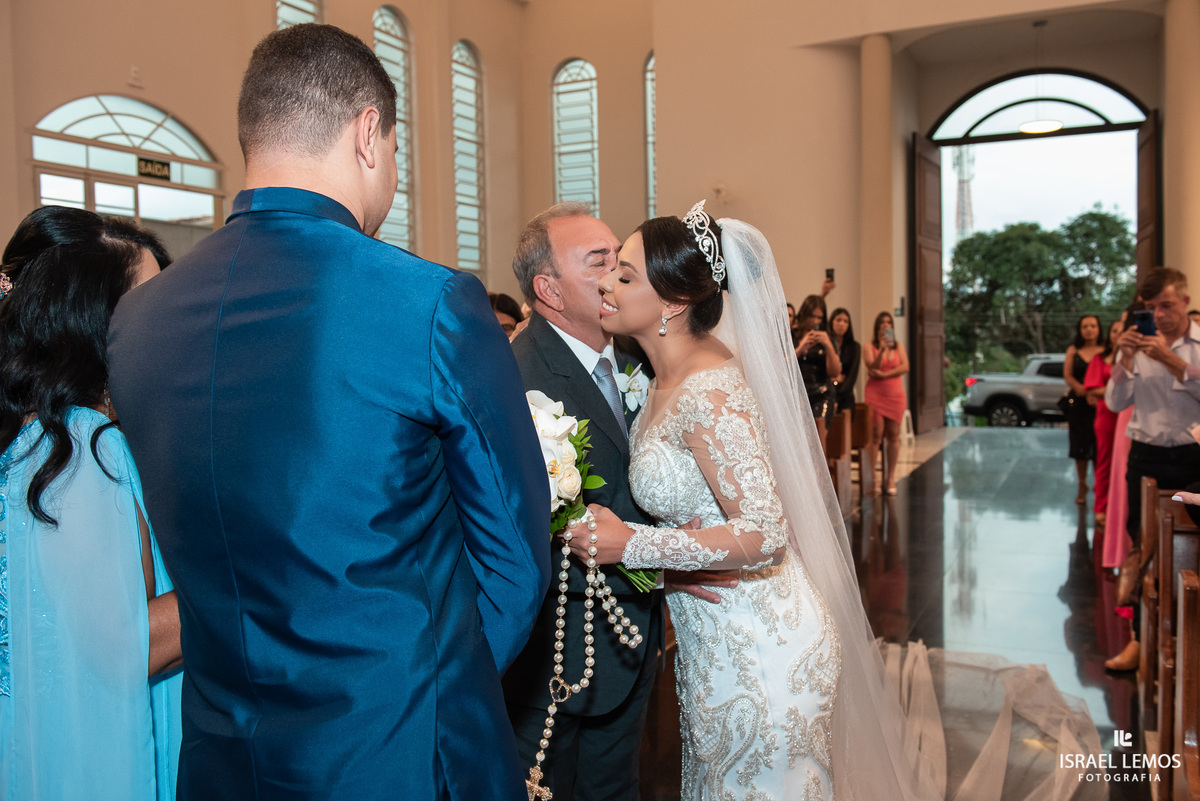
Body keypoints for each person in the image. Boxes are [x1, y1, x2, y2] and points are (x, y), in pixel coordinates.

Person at [107, 24, 550, 800]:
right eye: (398, 150)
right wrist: (437, 689)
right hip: (398, 752)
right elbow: (515, 554)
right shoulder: (428, 301)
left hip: (223, 758)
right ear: (368, 134)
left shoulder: (138, 319)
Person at [583, 202, 944, 800]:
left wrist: (632, 545)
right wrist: (668, 568)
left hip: (763, 642)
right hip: (716, 638)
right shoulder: (658, 378)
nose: (606, 284)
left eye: (624, 275)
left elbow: (764, 532)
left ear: (673, 302)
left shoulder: (709, 389)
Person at [0, 205, 181, 800]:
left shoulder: (32, 438)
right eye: (152, 306)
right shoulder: (79, 447)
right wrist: (250, 569)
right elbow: (124, 647)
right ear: (89, 321)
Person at [503, 202, 671, 801]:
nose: (615, 275)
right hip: (558, 650)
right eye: (598, 262)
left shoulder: (638, 358)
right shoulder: (515, 378)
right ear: (547, 290)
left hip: (633, 635)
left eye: (619, 260)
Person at [1104, 267, 1200, 671]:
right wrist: (1125, 360)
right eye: (1150, 308)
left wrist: (1172, 361)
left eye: (1166, 305)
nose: (1158, 315)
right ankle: (1140, 641)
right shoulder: (1137, 345)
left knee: (1191, 549)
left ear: (1185, 302)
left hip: (1193, 458)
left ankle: (1186, 641)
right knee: (1143, 549)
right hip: (1146, 457)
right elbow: (1115, 402)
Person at [864, 311, 909, 495]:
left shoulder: (898, 346)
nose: (885, 325)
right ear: (877, 326)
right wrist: (882, 350)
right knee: (876, 434)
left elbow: (905, 366)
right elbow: (872, 367)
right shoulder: (869, 346)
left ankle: (890, 477)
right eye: (882, 322)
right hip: (875, 393)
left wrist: (885, 375)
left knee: (893, 435)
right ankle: (873, 478)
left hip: (895, 395)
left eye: (888, 322)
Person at [1084, 318, 1124, 528]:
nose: (1119, 334)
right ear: (1109, 334)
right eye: (1115, 331)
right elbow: (1092, 391)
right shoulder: (1100, 359)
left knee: (1125, 463)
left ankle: (1121, 506)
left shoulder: (1133, 359)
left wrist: (1107, 389)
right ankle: (1101, 506)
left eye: (1122, 330)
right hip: (1106, 415)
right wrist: (1117, 389)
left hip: (1128, 415)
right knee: (1105, 461)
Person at [1064, 315, 1103, 505]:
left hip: (1100, 404)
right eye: (1085, 326)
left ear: (1099, 328)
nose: (1089, 329)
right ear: (1080, 330)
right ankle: (1082, 484)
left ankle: (1099, 486)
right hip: (1079, 404)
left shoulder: (1106, 350)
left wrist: (1095, 393)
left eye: (1093, 326)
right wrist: (1082, 389)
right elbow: (1068, 375)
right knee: (1080, 446)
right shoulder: (1073, 350)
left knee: (1099, 447)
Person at [794, 294, 841, 452]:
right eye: (812, 316)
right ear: (804, 314)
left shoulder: (828, 337)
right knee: (800, 444)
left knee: (817, 444)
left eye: (819, 317)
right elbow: (782, 367)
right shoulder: (793, 335)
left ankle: (820, 468)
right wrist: (801, 348)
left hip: (822, 394)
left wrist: (828, 345)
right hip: (799, 394)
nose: (815, 321)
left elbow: (835, 372)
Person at [829, 306, 860, 418]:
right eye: (838, 320)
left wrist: (837, 397)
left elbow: (852, 376)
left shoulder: (854, 347)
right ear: (831, 322)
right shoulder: (826, 344)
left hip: (845, 392)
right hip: (827, 391)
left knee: (846, 410)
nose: (841, 324)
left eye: (845, 321)